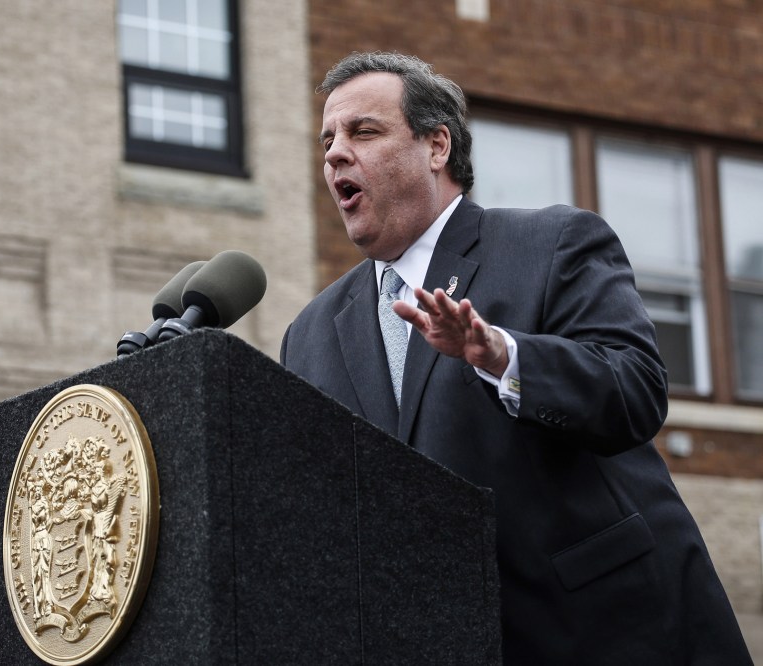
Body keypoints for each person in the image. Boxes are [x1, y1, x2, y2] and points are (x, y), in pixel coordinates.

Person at [281, 51, 752, 665]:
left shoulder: (552, 243)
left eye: (364, 132)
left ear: (436, 146)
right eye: (327, 141)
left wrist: (503, 356)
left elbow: (634, 392)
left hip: (604, 631)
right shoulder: (310, 335)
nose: (335, 154)